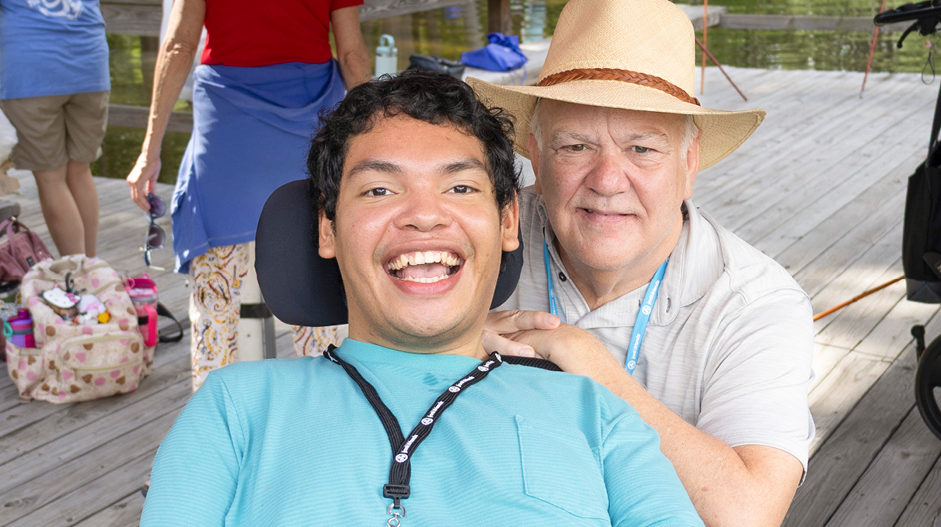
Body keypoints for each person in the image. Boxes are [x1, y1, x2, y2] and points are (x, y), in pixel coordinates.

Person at [139, 70, 704, 527]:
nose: (424, 215)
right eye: (380, 189)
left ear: (508, 222)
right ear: (328, 231)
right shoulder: (236, 409)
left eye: (459, 187)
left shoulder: (597, 417)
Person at [469, 0, 814, 527]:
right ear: (534, 153)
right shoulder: (477, 237)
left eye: (643, 149)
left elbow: (747, 514)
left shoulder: (755, 302)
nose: (607, 181)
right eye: (575, 146)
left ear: (689, 161)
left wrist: (584, 362)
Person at [126, 0, 372, 390]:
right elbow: (351, 55)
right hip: (309, 132)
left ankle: (217, 426)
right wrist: (377, 138)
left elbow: (179, 47)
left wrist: (150, 150)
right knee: (322, 296)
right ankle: (330, 416)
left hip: (229, 137)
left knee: (216, 300)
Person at [0, 0, 109, 257]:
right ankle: (93, 272)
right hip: (89, 65)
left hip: (30, 70)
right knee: (79, 170)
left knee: (51, 177)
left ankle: (78, 277)